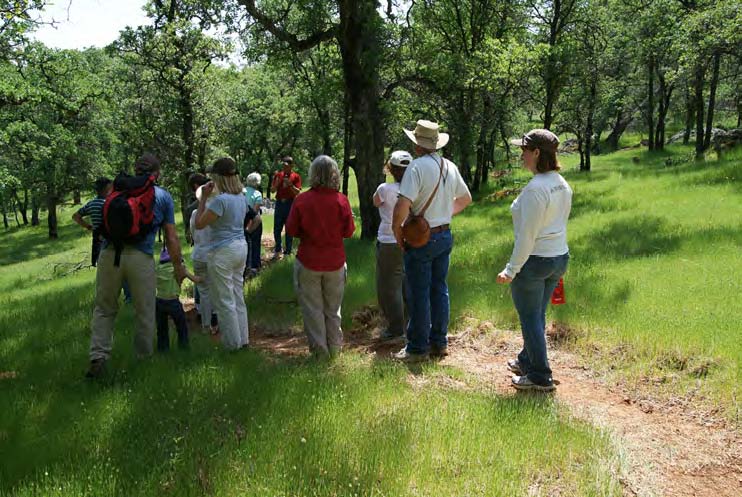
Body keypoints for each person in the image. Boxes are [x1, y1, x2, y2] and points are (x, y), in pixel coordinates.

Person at [87, 153, 186, 378]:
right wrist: (178, 266)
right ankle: (144, 359)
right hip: (140, 257)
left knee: (104, 308)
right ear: (157, 173)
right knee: (145, 310)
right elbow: (171, 236)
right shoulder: (162, 196)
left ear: (135, 169)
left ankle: (98, 357)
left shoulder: (117, 191)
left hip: (108, 254)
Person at [496, 129, 572, 392]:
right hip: (558, 258)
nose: (521, 156)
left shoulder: (536, 189)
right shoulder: (561, 183)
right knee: (537, 313)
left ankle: (540, 376)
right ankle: (526, 359)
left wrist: (511, 269)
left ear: (537, 152)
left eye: (524, 151)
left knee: (530, 317)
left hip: (535, 261)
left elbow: (527, 237)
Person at [391, 120, 472, 362]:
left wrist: (397, 230)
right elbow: (466, 198)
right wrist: (444, 215)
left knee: (419, 292)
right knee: (440, 289)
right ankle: (439, 342)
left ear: (417, 146)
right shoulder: (450, 166)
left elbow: (402, 205)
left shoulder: (416, 168)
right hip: (444, 234)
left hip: (421, 239)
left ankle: (417, 348)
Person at [286, 155, 355, 358]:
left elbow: (291, 230)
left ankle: (320, 353)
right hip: (335, 261)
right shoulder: (341, 200)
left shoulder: (302, 200)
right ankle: (335, 349)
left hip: (308, 260)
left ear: (313, 174)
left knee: (313, 310)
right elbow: (349, 231)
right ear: (334, 174)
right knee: (333, 310)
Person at [195, 157, 253, 350]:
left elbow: (199, 224)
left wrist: (204, 196)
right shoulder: (241, 198)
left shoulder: (220, 201)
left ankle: (232, 344)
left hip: (222, 251)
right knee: (237, 296)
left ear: (218, 178)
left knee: (224, 300)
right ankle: (243, 339)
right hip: (240, 247)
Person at [373, 150, 412, 341]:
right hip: (411, 239)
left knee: (390, 286)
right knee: (408, 282)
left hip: (389, 240)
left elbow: (375, 202)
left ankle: (396, 328)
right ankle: (411, 323)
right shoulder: (415, 189)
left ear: (391, 169)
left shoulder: (384, 189)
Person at [155, 247, 201, 352]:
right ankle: (184, 348)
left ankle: (163, 350)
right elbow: (195, 279)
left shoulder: (158, 269)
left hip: (158, 302)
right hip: (173, 302)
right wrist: (204, 278)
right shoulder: (179, 269)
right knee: (181, 327)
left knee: (161, 329)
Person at [189, 185, 217, 334]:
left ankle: (206, 326)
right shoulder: (216, 213)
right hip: (213, 255)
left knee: (204, 292)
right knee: (216, 290)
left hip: (199, 254)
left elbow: (193, 234)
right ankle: (217, 321)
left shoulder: (195, 213)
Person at [73, 177, 112, 267]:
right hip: (108, 236)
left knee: (100, 261)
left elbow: (76, 216)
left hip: (96, 235)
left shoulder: (91, 204)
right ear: (107, 189)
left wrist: (88, 226)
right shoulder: (109, 203)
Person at [270, 156, 301, 258]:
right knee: (277, 228)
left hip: (290, 204)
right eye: (283, 165)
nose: (284, 167)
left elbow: (298, 192)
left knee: (289, 227)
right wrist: (277, 183)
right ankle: (278, 248)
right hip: (279, 203)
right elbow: (272, 190)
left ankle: (288, 250)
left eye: (286, 165)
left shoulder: (296, 176)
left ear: (291, 165)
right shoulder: (278, 175)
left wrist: (290, 185)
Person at [244, 172, 264, 276]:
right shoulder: (257, 194)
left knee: (245, 244)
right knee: (255, 243)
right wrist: (251, 226)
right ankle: (255, 266)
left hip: (242, 220)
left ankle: (246, 265)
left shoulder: (242, 191)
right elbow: (255, 211)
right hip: (253, 220)